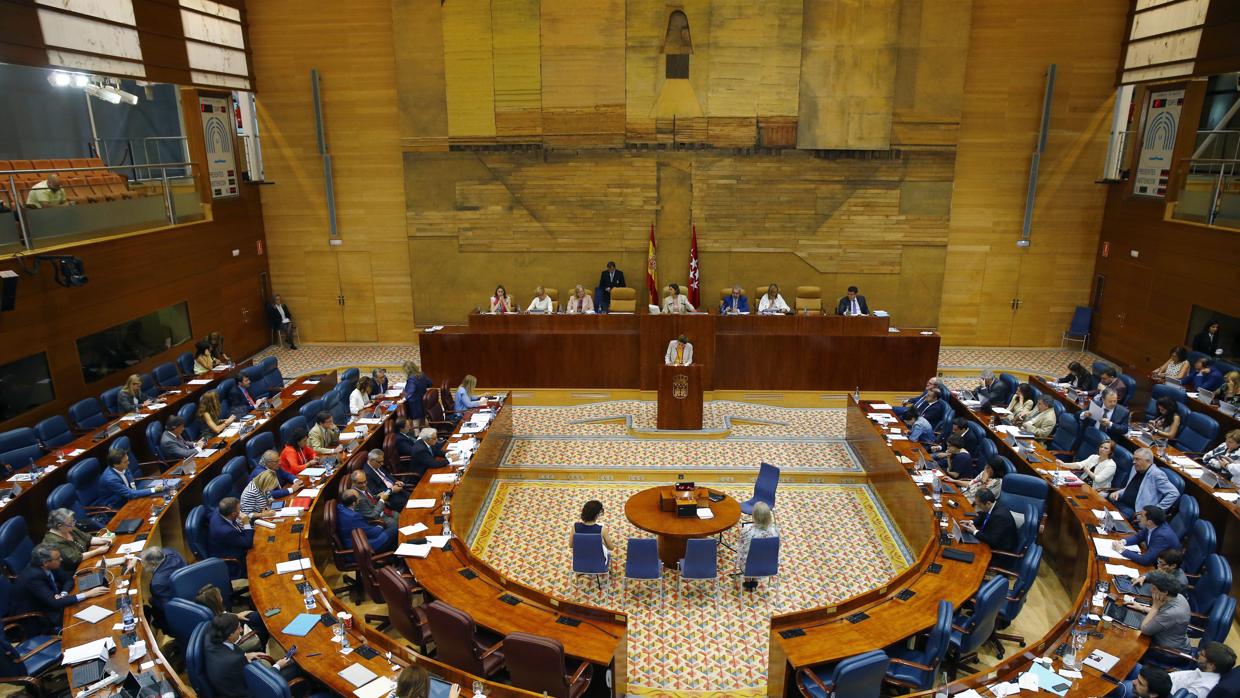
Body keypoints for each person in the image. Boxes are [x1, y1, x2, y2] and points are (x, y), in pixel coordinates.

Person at [12, 544, 108, 630]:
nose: (61, 560)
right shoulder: (33, 578)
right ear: (45, 563)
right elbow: (54, 603)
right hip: (40, 616)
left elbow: (68, 579)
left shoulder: (50, 565)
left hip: (53, 601)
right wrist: (88, 594)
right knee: (92, 621)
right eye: (58, 558)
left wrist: (63, 593)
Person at [204, 613, 295, 698]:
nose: (242, 630)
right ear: (230, 635)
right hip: (248, 694)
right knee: (295, 668)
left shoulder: (209, 637)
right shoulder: (234, 661)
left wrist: (246, 656)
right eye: (239, 628)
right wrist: (278, 665)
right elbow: (258, 683)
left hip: (228, 684)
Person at [1123, 571, 1190, 652]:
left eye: (1154, 588)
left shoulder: (1172, 613)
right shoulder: (1179, 596)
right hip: (1169, 638)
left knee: (1128, 642)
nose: (1151, 590)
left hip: (1168, 651)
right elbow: (1162, 613)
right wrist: (1142, 608)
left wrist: (1155, 607)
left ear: (1165, 592)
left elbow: (1144, 630)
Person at [1108, 448, 1178, 521]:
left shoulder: (1156, 474)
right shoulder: (1135, 468)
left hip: (1134, 511)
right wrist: (1118, 493)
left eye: (1137, 459)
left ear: (1148, 461)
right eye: (1134, 459)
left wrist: (1155, 511)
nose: (1134, 462)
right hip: (1120, 502)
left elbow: (1174, 493)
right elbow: (1129, 487)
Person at [195, 585, 267, 653]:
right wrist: (235, 618)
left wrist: (236, 615)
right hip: (237, 641)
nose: (221, 595)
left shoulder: (212, 614)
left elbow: (225, 615)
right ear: (216, 601)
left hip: (235, 628)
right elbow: (232, 639)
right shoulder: (220, 623)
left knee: (255, 616)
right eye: (219, 595)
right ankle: (264, 645)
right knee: (261, 624)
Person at [40, 509, 109, 573]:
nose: (73, 524)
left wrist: (105, 540)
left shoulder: (68, 528)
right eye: (70, 523)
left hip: (87, 560)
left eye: (73, 521)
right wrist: (98, 551)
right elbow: (76, 558)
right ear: (59, 526)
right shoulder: (53, 542)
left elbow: (88, 539)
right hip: (76, 570)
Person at [98, 448, 165, 509]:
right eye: (125, 462)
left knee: (162, 492)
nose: (128, 463)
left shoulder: (122, 466)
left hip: (129, 493)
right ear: (116, 465)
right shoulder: (111, 479)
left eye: (128, 460)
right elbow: (130, 494)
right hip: (117, 504)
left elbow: (130, 478)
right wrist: (154, 489)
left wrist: (134, 490)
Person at [1165, 642, 1236, 698]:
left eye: (1202, 654)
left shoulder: (1204, 687)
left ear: (1211, 665)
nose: (1198, 653)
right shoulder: (1204, 671)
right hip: (1166, 678)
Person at [1114, 505, 1179, 566]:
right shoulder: (1154, 524)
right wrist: (1123, 542)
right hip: (1150, 554)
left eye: (1142, 516)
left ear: (1149, 522)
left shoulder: (1162, 536)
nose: (1139, 517)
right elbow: (1138, 537)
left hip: (1160, 567)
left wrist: (1122, 550)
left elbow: (1146, 560)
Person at [337, 490, 398, 554]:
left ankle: (394, 554)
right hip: (365, 546)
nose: (359, 499)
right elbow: (373, 534)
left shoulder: (340, 507)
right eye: (358, 498)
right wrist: (380, 526)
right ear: (354, 503)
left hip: (357, 539)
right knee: (394, 529)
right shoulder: (353, 517)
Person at [960, 489, 1019, 555]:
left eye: (979, 505)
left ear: (988, 503)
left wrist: (974, 531)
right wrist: (971, 522)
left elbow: (992, 540)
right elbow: (983, 516)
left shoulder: (999, 517)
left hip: (998, 552)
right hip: (989, 538)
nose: (979, 507)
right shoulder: (994, 505)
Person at [142, 546, 188, 630]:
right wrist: (135, 558)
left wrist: (153, 601)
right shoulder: (171, 552)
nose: (143, 566)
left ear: (152, 564)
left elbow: (166, 607)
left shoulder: (157, 583)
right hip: (188, 589)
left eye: (144, 564)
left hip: (177, 610)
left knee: (150, 607)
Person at [207, 498, 255, 578]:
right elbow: (248, 543)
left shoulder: (218, 511)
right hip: (233, 559)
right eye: (239, 510)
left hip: (225, 543)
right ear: (233, 514)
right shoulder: (227, 531)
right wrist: (246, 523)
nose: (241, 512)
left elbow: (207, 515)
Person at [738, 502, 779, 591]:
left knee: (746, 553)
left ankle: (748, 580)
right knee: (760, 554)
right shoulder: (775, 530)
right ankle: (755, 579)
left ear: (754, 515)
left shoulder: (747, 529)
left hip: (748, 566)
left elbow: (740, 546)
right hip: (769, 565)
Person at [402, 361, 433, 426]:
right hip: (423, 399)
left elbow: (411, 391)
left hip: (414, 403)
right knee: (422, 419)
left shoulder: (411, 379)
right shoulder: (422, 374)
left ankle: (417, 435)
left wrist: (404, 398)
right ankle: (424, 431)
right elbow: (430, 383)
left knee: (416, 422)